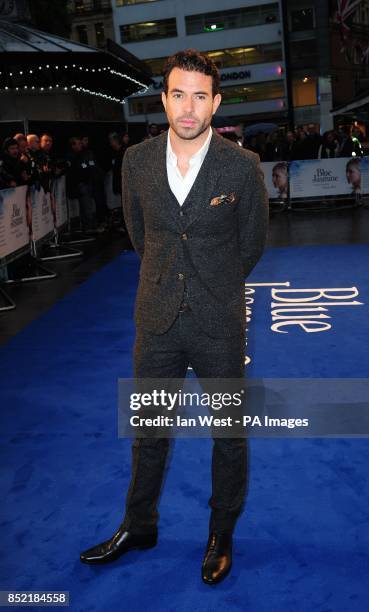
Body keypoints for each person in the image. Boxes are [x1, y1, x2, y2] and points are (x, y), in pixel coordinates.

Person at [79, 48, 269, 585]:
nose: (188, 108)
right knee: (149, 431)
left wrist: (211, 284)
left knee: (229, 436)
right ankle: (139, 526)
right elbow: (141, 236)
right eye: (178, 94)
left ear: (216, 103)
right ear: (163, 99)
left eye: (200, 96)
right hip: (157, 319)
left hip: (219, 322)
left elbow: (251, 245)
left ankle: (221, 533)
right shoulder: (135, 162)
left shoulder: (241, 166)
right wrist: (171, 278)